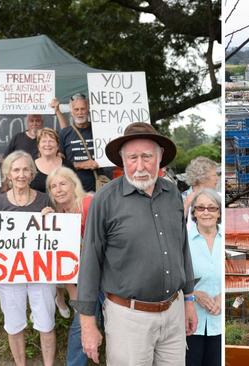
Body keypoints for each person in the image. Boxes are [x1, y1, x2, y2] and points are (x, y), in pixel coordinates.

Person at [75, 122, 197, 365]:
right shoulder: (105, 200)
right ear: (122, 160)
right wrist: (87, 323)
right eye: (132, 158)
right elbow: (90, 259)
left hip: (173, 314)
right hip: (128, 318)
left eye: (147, 157)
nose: (139, 166)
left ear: (160, 157)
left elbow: (181, 248)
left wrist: (189, 299)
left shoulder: (172, 193)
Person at [0, 150, 56, 366]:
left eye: (25, 170)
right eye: (16, 170)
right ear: (8, 174)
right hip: (10, 274)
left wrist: (53, 218)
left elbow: (58, 238)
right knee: (13, 324)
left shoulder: (45, 200)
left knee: (46, 323)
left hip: (40, 272)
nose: (21, 174)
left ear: (32, 174)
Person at [41, 167, 95, 366]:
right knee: (82, 320)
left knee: (87, 320)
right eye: (53, 186)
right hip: (83, 280)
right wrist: (47, 223)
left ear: (74, 184)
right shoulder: (58, 214)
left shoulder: (89, 204)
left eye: (63, 183)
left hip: (104, 275)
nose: (58, 189)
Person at [186, 188, 222, 366]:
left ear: (219, 212)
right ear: (194, 213)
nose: (206, 212)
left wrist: (224, 297)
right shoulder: (183, 241)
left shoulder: (228, 239)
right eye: (200, 208)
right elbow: (172, 279)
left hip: (220, 323)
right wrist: (193, 294)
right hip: (191, 323)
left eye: (212, 208)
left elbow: (244, 281)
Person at [54, 94, 104, 192]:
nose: (80, 113)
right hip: (74, 189)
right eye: (76, 109)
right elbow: (59, 161)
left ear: (88, 109)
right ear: (71, 112)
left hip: (100, 186)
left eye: (83, 109)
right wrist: (80, 165)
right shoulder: (64, 133)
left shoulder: (99, 129)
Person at [30, 128, 69, 193]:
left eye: (51, 141)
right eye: (44, 141)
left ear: (57, 146)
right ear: (38, 146)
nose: (47, 144)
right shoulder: (30, 167)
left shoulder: (67, 165)